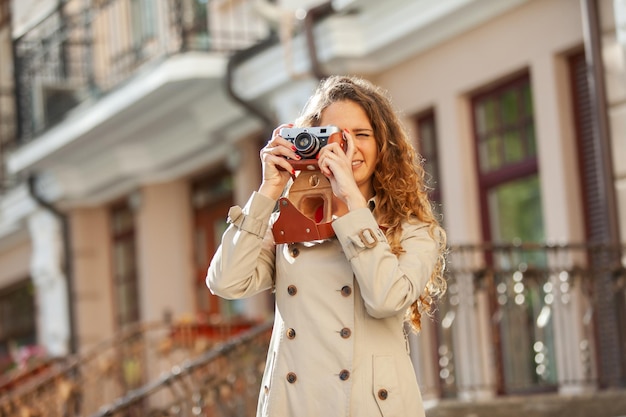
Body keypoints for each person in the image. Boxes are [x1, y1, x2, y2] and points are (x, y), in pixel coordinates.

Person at [206, 75, 447, 417]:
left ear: (383, 146)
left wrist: (350, 200)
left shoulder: (415, 230)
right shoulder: (291, 226)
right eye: (333, 136)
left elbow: (386, 299)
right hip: (295, 405)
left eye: (361, 135)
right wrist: (268, 193)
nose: (346, 148)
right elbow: (225, 282)